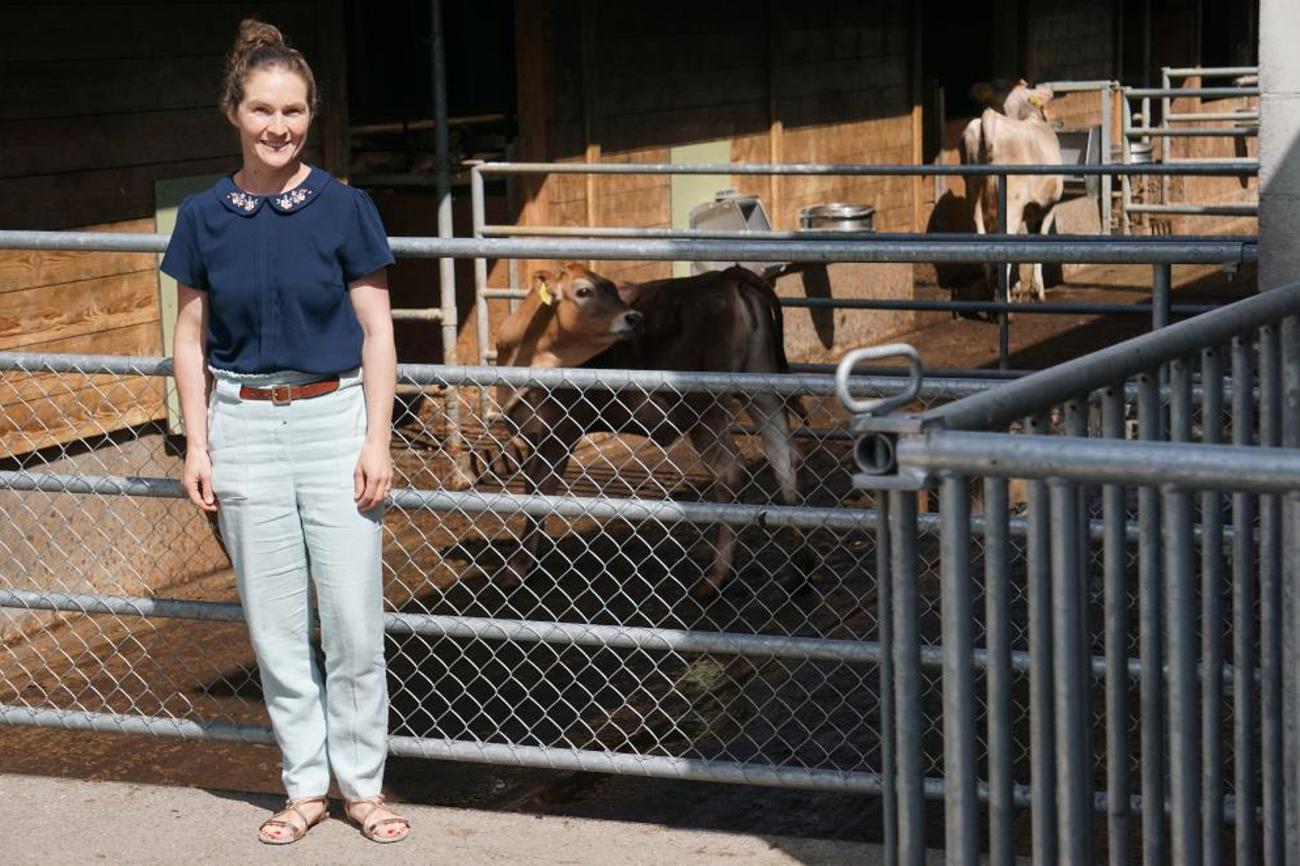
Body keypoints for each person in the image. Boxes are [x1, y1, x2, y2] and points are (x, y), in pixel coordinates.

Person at [162, 19, 409, 845]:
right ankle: (305, 786)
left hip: (333, 420)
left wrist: (378, 440)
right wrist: (198, 443)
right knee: (272, 625)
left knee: (350, 621)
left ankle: (363, 788)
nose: (280, 126)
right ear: (233, 110)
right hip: (242, 426)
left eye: (295, 110)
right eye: (263, 109)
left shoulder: (345, 208)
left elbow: (378, 331)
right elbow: (190, 338)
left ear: (312, 114)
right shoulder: (203, 216)